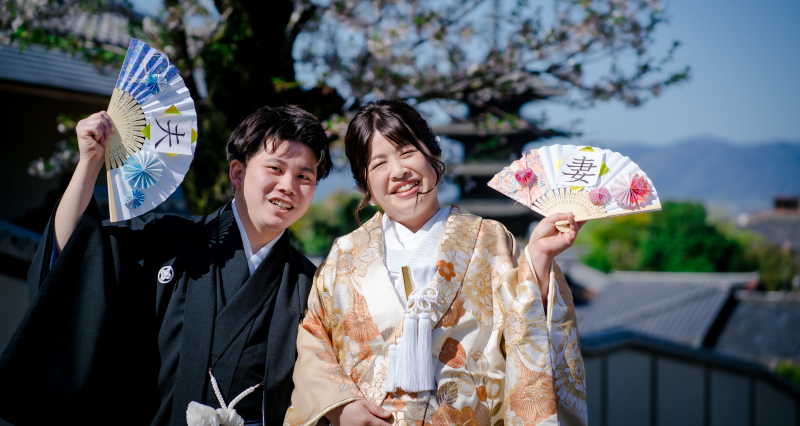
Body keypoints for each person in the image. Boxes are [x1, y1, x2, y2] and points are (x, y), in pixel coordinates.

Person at [0, 105, 332, 426]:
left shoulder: (312, 284)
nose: (288, 186)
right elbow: (75, 257)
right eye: (275, 169)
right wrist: (89, 163)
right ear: (238, 173)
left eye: (304, 175)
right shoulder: (165, 240)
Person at [284, 100, 587, 426]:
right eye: (378, 164)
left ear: (434, 155)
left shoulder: (490, 242)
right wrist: (340, 405)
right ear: (365, 185)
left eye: (407, 152)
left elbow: (528, 332)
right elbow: (314, 341)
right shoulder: (344, 258)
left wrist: (538, 260)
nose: (398, 171)